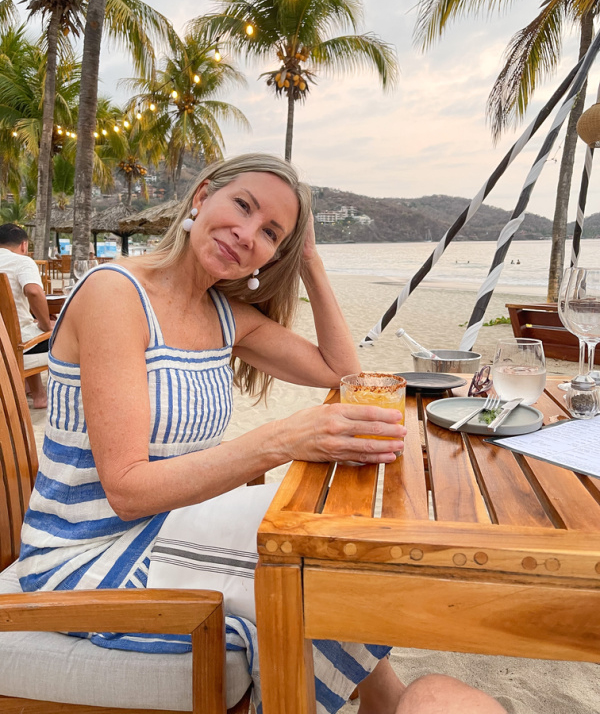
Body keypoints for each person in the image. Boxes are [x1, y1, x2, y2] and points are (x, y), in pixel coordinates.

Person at [17, 155, 505, 714]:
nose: (247, 234)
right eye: (242, 206)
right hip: (88, 557)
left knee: (343, 552)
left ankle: (380, 702)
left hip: (169, 531)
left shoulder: (222, 314)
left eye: (271, 232)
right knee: (318, 584)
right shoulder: (115, 294)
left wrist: (312, 262)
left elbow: (344, 375)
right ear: (202, 197)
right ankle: (378, 702)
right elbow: (127, 490)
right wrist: (282, 439)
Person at [0, 223, 54, 407]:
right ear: (24, 245)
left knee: (30, 327)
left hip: (11, 340)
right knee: (58, 332)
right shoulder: (21, 262)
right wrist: (46, 325)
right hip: (14, 345)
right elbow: (34, 292)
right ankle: (42, 395)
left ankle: (38, 394)